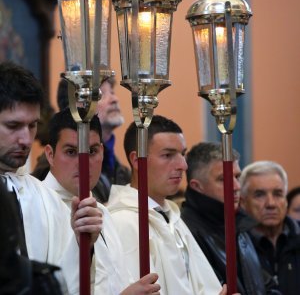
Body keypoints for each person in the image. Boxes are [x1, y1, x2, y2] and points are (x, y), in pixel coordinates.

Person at [0, 61, 102, 294]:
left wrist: (82, 245)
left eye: (32, 125)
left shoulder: (48, 198)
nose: (26, 140)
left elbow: (63, 282)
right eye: (13, 126)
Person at [42, 108, 160, 295]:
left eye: (92, 151)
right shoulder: (36, 207)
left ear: (102, 152)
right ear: (50, 155)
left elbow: (117, 281)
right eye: (71, 151)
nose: (84, 161)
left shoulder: (103, 213)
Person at [107, 115, 226, 295]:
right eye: (168, 155)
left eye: (183, 154)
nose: (183, 165)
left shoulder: (173, 216)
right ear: (137, 160)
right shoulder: (122, 221)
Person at [181, 142, 277, 295]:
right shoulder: (186, 232)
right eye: (223, 179)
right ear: (197, 186)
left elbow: (267, 284)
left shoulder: (239, 223)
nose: (237, 186)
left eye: (237, 176)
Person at [32, 76, 130, 203]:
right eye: (100, 95)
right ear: (76, 105)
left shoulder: (121, 170)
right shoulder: (49, 168)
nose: (114, 99)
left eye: (112, 92)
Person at [240, 160, 300, 295]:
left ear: (285, 200)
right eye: (259, 195)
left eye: (278, 194)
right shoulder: (234, 246)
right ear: (243, 202)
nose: (271, 203)